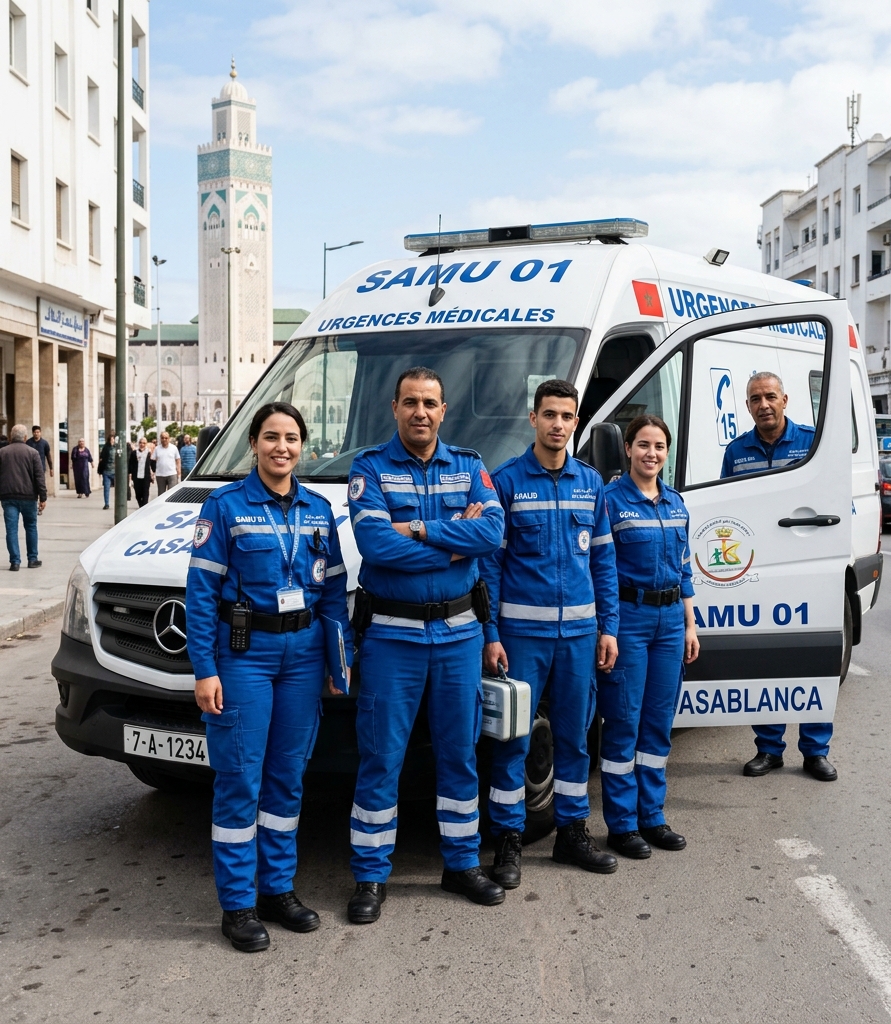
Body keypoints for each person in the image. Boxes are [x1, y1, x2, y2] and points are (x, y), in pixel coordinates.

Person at [186, 401, 354, 954]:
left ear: (303, 446)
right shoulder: (226, 506)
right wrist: (205, 670)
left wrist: (337, 661)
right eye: (271, 437)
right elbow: (202, 594)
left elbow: (332, 593)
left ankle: (278, 889)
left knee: (287, 777)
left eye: (291, 438)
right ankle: (238, 903)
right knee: (239, 778)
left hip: (304, 658)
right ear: (254, 443)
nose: (282, 447)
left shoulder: (317, 509)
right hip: (246, 657)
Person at [345, 367, 505, 924]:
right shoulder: (369, 467)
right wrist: (452, 543)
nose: (420, 412)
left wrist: (414, 529)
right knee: (381, 758)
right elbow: (375, 545)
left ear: (444, 409)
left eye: (430, 403)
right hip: (393, 638)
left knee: (460, 755)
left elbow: (492, 533)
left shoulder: (469, 463)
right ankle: (370, 876)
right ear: (394, 408)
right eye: (410, 402)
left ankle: (461, 863)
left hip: (460, 637)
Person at [480, 379, 620, 888]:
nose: (558, 424)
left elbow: (603, 561)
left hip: (581, 637)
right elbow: (490, 567)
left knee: (575, 740)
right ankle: (509, 841)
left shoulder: (591, 483)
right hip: (521, 640)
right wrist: (491, 632)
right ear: (533, 418)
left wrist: (610, 628)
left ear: (576, 423)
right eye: (549, 414)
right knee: (513, 742)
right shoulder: (507, 482)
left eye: (567, 416)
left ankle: (572, 834)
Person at [720, 371, 836, 782]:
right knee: (764, 658)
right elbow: (728, 509)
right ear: (748, 406)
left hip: (808, 566)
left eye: (770, 396)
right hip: (759, 571)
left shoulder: (811, 441)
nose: (763, 404)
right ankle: (769, 749)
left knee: (811, 657)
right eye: (755, 399)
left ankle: (816, 751)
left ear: (785, 399)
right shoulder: (737, 452)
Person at [598, 415, 699, 858]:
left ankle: (652, 817)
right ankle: (621, 825)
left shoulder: (676, 504)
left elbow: (684, 567)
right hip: (630, 621)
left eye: (659, 446)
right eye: (643, 445)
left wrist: (691, 623)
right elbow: (600, 570)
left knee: (658, 725)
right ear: (628, 449)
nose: (651, 453)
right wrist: (610, 630)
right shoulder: (609, 501)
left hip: (670, 624)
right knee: (623, 723)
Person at [0, 424, 47, 571]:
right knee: (31, 527)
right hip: (28, 497)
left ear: (10, 437)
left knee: (11, 530)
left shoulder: (2, 452)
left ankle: (15, 562)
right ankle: (32, 559)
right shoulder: (33, 453)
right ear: (26, 437)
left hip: (8, 497)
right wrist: (43, 497)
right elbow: (39, 477)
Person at [97, 433, 116, 509]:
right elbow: (101, 458)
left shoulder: (117, 448)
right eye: (110, 440)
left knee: (118, 489)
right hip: (106, 471)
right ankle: (106, 503)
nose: (112, 441)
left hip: (115, 471)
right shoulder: (106, 448)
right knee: (106, 488)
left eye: (113, 439)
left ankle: (118, 503)